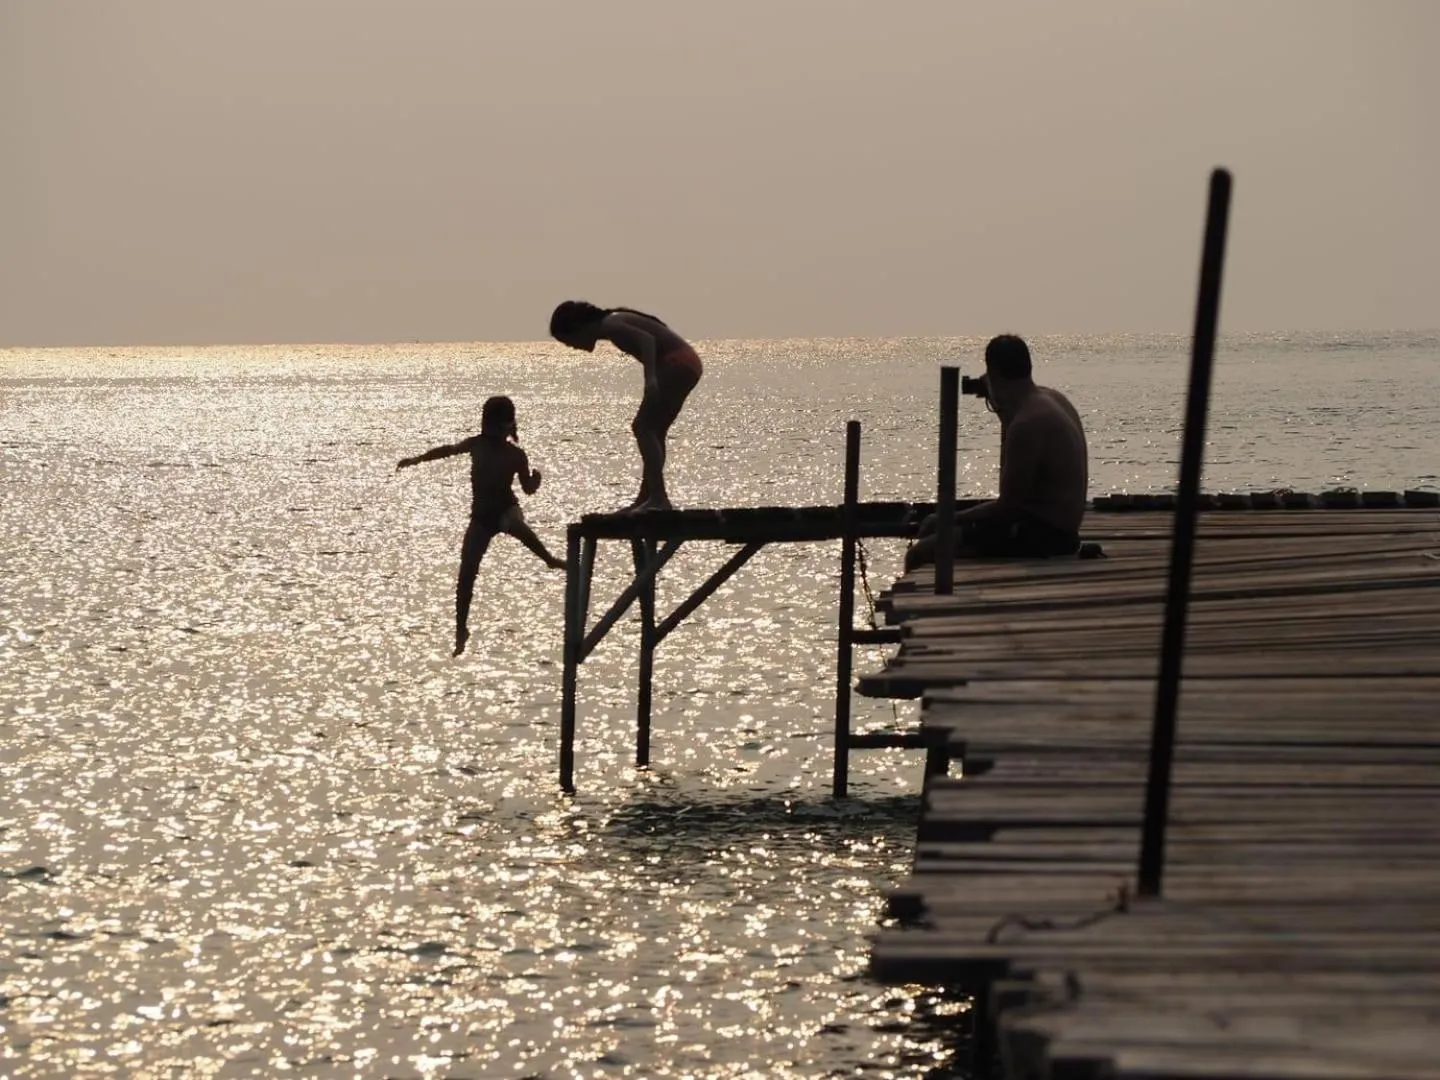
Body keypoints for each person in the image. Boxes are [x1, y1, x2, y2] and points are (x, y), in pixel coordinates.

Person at [397, 395, 565, 657]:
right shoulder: (476, 445)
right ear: (485, 424)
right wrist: (416, 459)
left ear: (509, 427)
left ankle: (549, 559)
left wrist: (536, 480)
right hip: (481, 518)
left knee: (513, 523)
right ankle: (461, 629)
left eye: (501, 428)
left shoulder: (516, 455)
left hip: (507, 508)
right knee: (466, 574)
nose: (495, 433)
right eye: (491, 427)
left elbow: (527, 489)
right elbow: (447, 450)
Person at [905, 335, 1089, 571]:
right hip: (1062, 528)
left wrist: (947, 518)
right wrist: (999, 402)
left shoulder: (1025, 424)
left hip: (1044, 536)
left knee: (920, 553)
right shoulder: (1053, 399)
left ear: (993, 372)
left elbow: (1007, 506)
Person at [549, 301, 702, 512]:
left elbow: (647, 341)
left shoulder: (610, 325)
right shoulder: (613, 322)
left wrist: (650, 379)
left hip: (675, 364)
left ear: (577, 327)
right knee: (654, 432)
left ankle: (658, 498)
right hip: (688, 363)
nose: (573, 347)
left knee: (643, 427)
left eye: (569, 342)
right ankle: (646, 498)